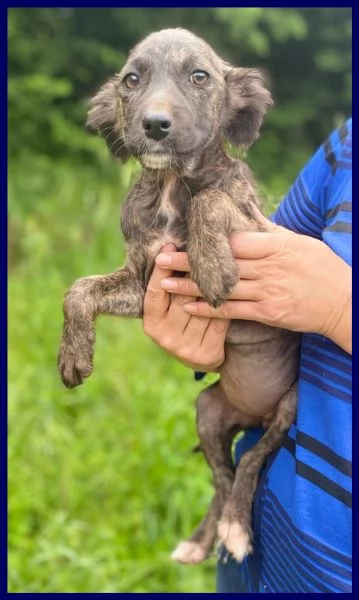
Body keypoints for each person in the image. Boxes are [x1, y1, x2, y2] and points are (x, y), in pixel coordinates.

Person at [142, 118, 352, 593]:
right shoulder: (348, 146)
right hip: (266, 535)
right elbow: (259, 262)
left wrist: (343, 305)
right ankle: (219, 517)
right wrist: (208, 335)